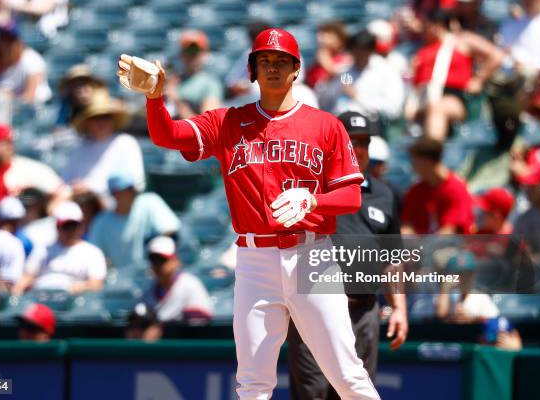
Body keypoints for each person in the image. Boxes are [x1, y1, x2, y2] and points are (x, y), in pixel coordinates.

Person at [118, 27, 380, 399]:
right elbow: (167, 136)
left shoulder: (325, 125)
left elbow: (352, 195)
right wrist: (156, 98)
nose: (273, 67)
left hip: (311, 255)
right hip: (255, 258)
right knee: (252, 382)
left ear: (296, 69)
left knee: (347, 374)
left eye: (281, 61)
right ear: (252, 70)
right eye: (264, 61)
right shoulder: (226, 122)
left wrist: (312, 201)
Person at [288, 112, 408, 398]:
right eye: (351, 141)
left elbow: (393, 256)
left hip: (363, 309)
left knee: (356, 393)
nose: (359, 148)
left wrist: (399, 308)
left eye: (365, 141)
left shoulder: (384, 194)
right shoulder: (310, 188)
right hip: (315, 309)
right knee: (312, 394)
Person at [407, 9, 504, 141]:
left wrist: (478, 80)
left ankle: (432, 149)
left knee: (438, 108)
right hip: (425, 98)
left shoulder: (460, 40)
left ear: (436, 25)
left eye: (425, 25)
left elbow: (496, 56)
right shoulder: (423, 50)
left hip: (454, 97)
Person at [12, 201, 107, 296]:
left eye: (73, 225)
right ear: (57, 227)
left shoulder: (92, 253)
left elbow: (96, 285)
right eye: (66, 226)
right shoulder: (43, 250)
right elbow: (27, 277)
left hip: (75, 303)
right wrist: (17, 292)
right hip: (42, 298)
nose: (70, 230)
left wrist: (74, 288)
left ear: (81, 226)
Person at [88, 172, 180, 269]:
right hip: (123, 279)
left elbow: (171, 232)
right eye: (128, 189)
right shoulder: (102, 221)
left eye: (133, 188)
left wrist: (154, 253)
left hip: (153, 273)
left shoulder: (150, 201)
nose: (134, 191)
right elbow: (94, 254)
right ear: (115, 194)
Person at [60, 93, 145, 198]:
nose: (101, 122)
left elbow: (136, 181)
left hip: (115, 205)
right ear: (88, 122)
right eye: (95, 117)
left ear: (113, 120)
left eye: (106, 117)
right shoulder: (80, 147)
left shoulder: (126, 143)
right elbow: (65, 179)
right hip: (80, 204)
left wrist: (92, 188)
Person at [402, 137, 475, 235]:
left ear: (426, 161)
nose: (412, 166)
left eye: (415, 161)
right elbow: (407, 226)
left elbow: (450, 231)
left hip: (452, 248)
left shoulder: (456, 189)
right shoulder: (415, 191)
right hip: (421, 247)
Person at [335, 30, 405, 120]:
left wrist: (357, 97)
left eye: (360, 51)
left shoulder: (387, 71)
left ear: (370, 51)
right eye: (353, 51)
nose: (356, 55)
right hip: (345, 124)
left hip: (375, 126)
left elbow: (393, 109)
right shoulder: (347, 72)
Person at [140, 236, 213, 322]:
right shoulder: (148, 291)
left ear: (176, 261)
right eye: (153, 259)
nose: (157, 264)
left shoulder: (190, 284)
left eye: (162, 259)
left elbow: (201, 322)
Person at [165, 29, 223, 119]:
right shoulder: (173, 80)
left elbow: (208, 125)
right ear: (182, 55)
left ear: (204, 54)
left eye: (196, 52)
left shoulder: (210, 83)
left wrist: (177, 101)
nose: (192, 57)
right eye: (188, 52)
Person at [0, 21, 52, 105]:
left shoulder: (31, 59)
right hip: (5, 108)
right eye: (3, 38)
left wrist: (5, 96)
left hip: (35, 110)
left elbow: (29, 96)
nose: (6, 44)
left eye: (10, 40)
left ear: (18, 41)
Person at [435, 251, 500, 322]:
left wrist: (471, 319)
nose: (462, 278)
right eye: (458, 274)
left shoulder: (481, 298)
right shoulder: (445, 297)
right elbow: (440, 316)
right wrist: (445, 290)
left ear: (472, 275)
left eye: (466, 274)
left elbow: (495, 322)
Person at [497, 0, 540, 76]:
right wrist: (513, 63)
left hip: (538, 78)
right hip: (508, 76)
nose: (527, 1)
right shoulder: (511, 22)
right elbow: (501, 52)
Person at [0, 0, 70, 38]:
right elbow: (3, 9)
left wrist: (13, 6)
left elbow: (43, 8)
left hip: (52, 36)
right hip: (22, 36)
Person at [305, 21, 351, 89]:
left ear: (340, 40)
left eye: (328, 36)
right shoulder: (321, 55)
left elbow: (334, 72)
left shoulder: (347, 57)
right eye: (320, 34)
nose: (321, 38)